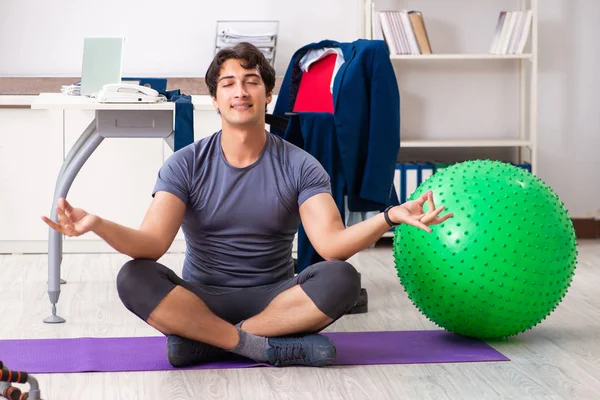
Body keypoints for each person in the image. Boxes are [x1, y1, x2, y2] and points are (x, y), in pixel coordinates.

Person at [42, 42, 453, 368]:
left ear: (268, 95)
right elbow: (151, 244)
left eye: (252, 81)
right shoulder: (185, 164)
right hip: (201, 296)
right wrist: (97, 223)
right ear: (216, 100)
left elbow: (330, 245)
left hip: (275, 299)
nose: (241, 91)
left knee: (342, 278)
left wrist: (387, 217)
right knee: (134, 276)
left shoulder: (300, 164)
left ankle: (206, 342)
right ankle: (262, 347)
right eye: (228, 83)